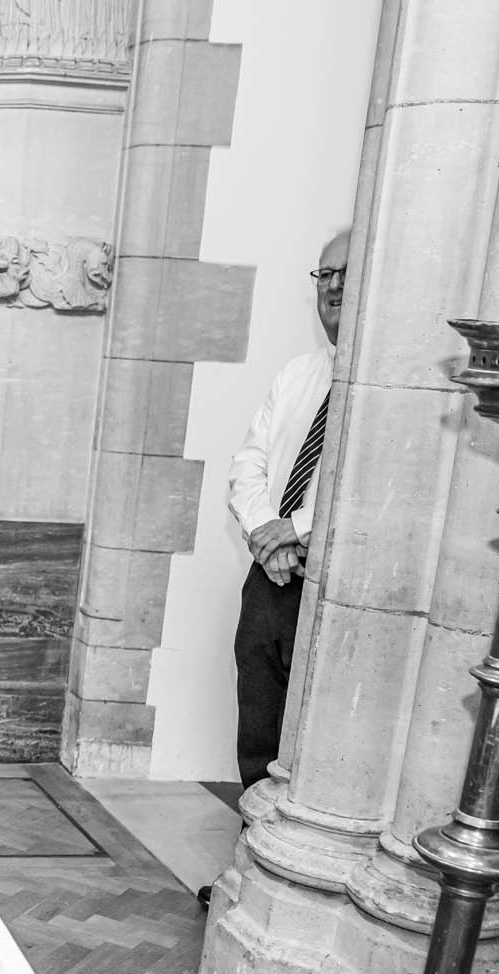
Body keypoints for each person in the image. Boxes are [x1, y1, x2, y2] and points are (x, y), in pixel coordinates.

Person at [227, 228, 350, 794]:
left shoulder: (398, 389)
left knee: (317, 738)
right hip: (270, 579)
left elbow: (363, 486)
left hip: (334, 582)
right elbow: (247, 465)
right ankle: (251, 856)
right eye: (325, 274)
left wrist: (295, 530)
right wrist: (265, 537)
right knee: (259, 724)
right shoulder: (297, 374)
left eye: (348, 273)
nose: (333, 286)